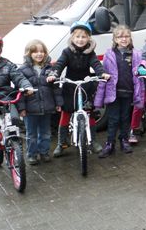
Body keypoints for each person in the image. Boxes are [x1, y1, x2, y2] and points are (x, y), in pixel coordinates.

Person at [47, 21, 110, 157]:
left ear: (88, 38)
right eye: (77, 36)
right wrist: (54, 74)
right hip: (70, 86)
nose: (80, 40)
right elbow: (59, 64)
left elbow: (96, 65)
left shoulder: (90, 53)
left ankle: (92, 141)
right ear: (72, 38)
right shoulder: (67, 52)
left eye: (83, 37)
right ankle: (61, 143)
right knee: (66, 113)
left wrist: (102, 73)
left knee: (89, 112)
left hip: (86, 85)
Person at [95, 26, 145, 158]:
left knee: (125, 118)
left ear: (130, 38)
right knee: (113, 119)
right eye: (120, 37)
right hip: (113, 93)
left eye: (126, 36)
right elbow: (104, 74)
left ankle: (124, 140)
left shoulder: (136, 54)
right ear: (115, 39)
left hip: (128, 91)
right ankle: (110, 143)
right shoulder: (109, 54)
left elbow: (139, 72)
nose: (124, 39)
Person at [17, 39, 63, 165]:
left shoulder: (50, 69)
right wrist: (21, 108)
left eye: (42, 51)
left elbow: (56, 88)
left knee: (46, 133)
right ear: (29, 53)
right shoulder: (23, 70)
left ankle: (44, 152)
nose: (39, 54)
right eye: (35, 52)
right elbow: (19, 92)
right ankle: (32, 154)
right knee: (31, 134)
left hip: (47, 107)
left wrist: (58, 103)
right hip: (30, 109)